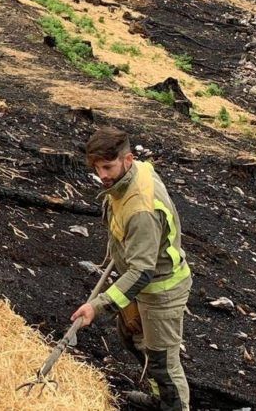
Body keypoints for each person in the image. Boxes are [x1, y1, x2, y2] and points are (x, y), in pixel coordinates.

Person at [71, 127, 192, 410]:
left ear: (127, 160)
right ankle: (158, 396)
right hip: (139, 282)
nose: (102, 175)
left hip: (160, 289)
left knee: (163, 362)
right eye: (97, 168)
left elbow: (142, 271)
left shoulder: (141, 210)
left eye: (108, 167)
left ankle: (173, 404)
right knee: (131, 335)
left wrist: (97, 306)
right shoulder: (136, 172)